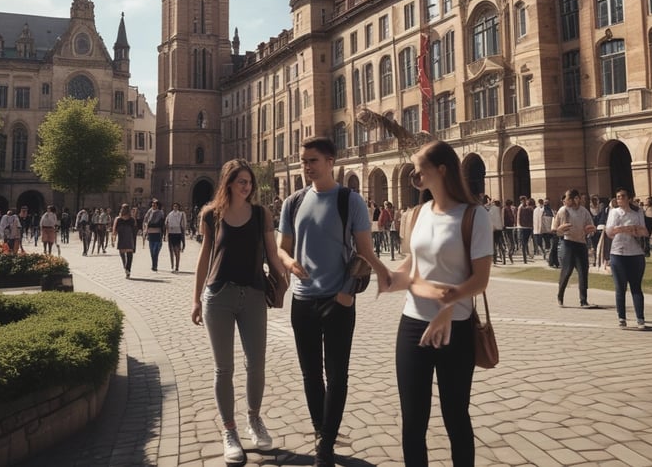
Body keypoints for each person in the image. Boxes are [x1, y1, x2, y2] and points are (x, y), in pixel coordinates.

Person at [277, 137, 390, 467]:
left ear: (330, 162)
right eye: (303, 161)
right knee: (310, 374)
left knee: (337, 375)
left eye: (312, 160)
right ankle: (320, 431)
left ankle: (325, 444)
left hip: (338, 299)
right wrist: (288, 263)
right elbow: (282, 247)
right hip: (303, 300)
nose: (306, 166)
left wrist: (347, 293)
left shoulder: (348, 200)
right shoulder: (293, 202)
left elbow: (365, 253)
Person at [383, 140, 492, 467]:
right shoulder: (416, 214)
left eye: (419, 167)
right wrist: (388, 276)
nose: (414, 174)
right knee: (413, 420)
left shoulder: (474, 216)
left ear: (441, 170)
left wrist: (448, 302)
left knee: (455, 416)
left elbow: (480, 279)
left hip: (455, 327)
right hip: (413, 323)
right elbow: (411, 266)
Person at [191, 159, 286, 465]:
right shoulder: (211, 215)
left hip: (254, 295)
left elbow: (272, 253)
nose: (247, 187)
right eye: (241, 181)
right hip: (218, 296)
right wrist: (195, 299)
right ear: (228, 183)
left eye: (250, 182)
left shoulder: (261, 214)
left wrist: (286, 275)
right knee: (224, 369)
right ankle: (229, 431)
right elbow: (205, 259)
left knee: (256, 364)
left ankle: (254, 420)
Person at [605, 188, 649, 329]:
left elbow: (644, 231)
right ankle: (622, 317)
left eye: (623, 196)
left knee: (636, 287)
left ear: (629, 198)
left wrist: (633, 229)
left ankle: (640, 319)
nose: (620, 199)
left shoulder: (638, 212)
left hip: (635, 253)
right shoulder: (613, 212)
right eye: (618, 197)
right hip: (618, 252)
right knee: (620, 287)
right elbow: (609, 232)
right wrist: (621, 229)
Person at [552, 189, 597, 308]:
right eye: (568, 199)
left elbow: (590, 225)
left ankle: (583, 300)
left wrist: (590, 230)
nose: (568, 201)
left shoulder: (584, 211)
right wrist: (559, 230)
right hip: (568, 243)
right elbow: (555, 228)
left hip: (581, 243)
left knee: (583, 272)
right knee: (566, 271)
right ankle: (560, 296)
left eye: (574, 198)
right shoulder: (563, 210)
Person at [112, 203, 137, 278]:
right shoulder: (131, 219)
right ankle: (128, 269)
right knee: (129, 256)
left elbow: (114, 231)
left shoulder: (118, 219)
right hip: (129, 239)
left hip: (122, 239)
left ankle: (125, 266)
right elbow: (134, 230)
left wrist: (113, 239)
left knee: (123, 254)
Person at [143, 199, 165, 271]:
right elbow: (146, 221)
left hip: (157, 234)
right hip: (150, 234)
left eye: (155, 204)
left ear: (158, 205)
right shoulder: (149, 212)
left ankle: (155, 265)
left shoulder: (160, 213)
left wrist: (151, 224)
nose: (153, 206)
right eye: (152, 204)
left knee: (156, 250)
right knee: (151, 251)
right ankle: (154, 264)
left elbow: (160, 223)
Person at [165, 202, 187, 272]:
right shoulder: (170, 214)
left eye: (176, 206)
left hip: (178, 233)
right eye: (174, 206)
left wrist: (183, 233)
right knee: (171, 250)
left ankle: (177, 266)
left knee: (177, 250)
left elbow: (183, 224)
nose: (175, 207)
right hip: (171, 233)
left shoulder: (181, 214)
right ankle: (172, 265)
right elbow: (166, 223)